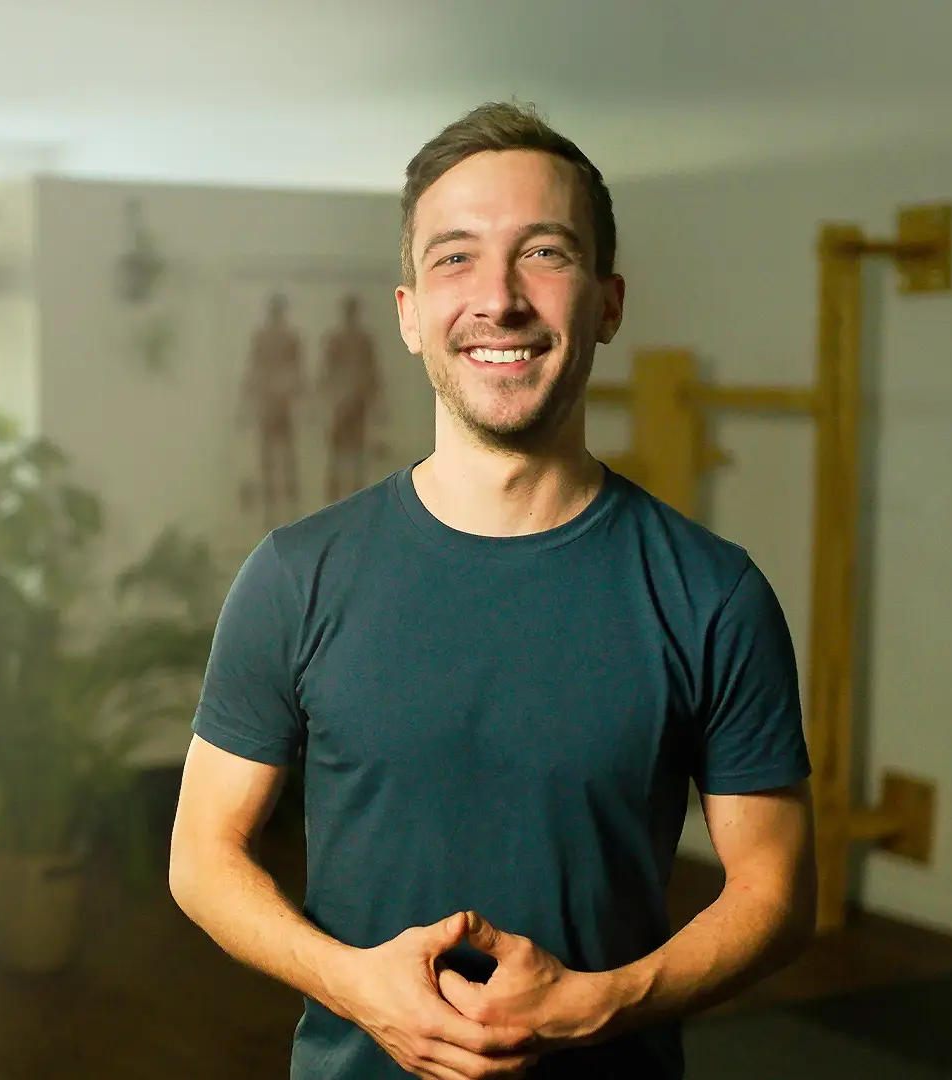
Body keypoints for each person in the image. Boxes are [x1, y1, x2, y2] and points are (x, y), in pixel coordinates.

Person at [169, 100, 817, 1080]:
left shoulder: (713, 595)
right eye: (456, 257)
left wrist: (599, 1004)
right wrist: (353, 984)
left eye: (545, 253)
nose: (500, 298)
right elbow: (202, 855)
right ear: (409, 313)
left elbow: (776, 891)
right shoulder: (296, 575)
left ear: (607, 303)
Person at [239, 292, 307, 526]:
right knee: (270, 456)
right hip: (269, 402)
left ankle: (290, 507)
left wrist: (302, 398)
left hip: (281, 402)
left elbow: (297, 371)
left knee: (285, 455)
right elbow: (254, 369)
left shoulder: (289, 339)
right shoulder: (263, 339)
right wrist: (247, 401)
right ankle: (272, 508)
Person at [319, 293, 385, 502]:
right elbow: (327, 371)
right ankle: (334, 492)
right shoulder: (337, 340)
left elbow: (372, 371)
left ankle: (354, 491)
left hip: (356, 398)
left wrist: (374, 399)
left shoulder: (362, 340)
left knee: (356, 448)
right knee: (339, 448)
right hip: (343, 399)